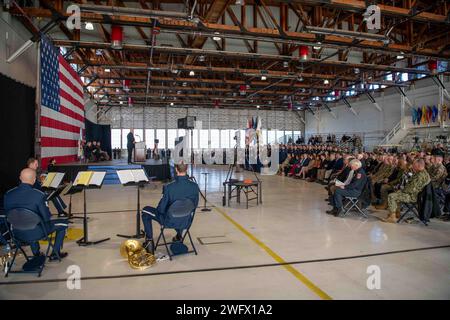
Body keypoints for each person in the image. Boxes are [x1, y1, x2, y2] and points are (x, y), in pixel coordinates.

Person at [3, 168, 68, 260]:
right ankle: (55, 254)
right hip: (36, 232)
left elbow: (8, 214)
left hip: (15, 233)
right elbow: (46, 218)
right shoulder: (39, 195)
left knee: (26, 221)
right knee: (64, 223)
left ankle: (36, 254)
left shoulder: (8, 194)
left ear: (20, 178)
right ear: (34, 180)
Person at [141, 162, 199, 252]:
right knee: (181, 212)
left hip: (169, 221)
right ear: (186, 169)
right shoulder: (194, 186)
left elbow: (161, 209)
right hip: (186, 221)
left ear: (176, 169)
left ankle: (149, 242)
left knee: (145, 211)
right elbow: (194, 206)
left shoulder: (169, 187)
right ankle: (179, 236)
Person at [383, 159, 431, 223]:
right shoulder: (422, 173)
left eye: (414, 165)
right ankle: (396, 213)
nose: (413, 167)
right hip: (413, 194)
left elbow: (412, 189)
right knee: (396, 193)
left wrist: (402, 190)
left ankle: (392, 217)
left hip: (412, 196)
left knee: (391, 196)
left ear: (419, 165)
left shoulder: (420, 175)